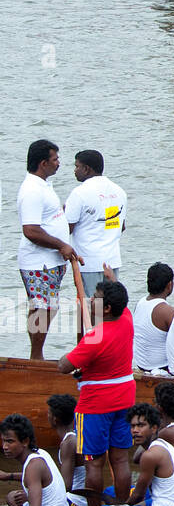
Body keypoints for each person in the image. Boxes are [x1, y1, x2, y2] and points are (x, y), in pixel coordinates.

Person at [56, 279, 134, 506]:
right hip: (125, 399)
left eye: (95, 298)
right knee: (120, 459)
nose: (91, 300)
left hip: (95, 406)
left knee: (94, 464)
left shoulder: (94, 338)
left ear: (107, 308)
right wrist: (111, 279)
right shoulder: (127, 319)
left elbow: (63, 366)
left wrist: (79, 352)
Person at [18, 139, 77, 359]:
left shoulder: (42, 185)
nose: (59, 163)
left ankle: (37, 355)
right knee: (42, 309)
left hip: (50, 261)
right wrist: (61, 244)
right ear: (43, 163)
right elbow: (30, 230)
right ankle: (36, 357)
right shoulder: (32, 190)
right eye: (55, 159)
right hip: (38, 262)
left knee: (47, 308)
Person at [123, 403, 174, 506]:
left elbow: (138, 496)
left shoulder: (150, 455)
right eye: (133, 426)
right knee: (113, 495)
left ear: (154, 428)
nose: (135, 430)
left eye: (141, 425)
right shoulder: (163, 444)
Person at [1, 412, 68, 506]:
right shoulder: (41, 453)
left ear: (25, 441)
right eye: (3, 441)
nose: (4, 447)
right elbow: (35, 477)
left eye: (10, 441)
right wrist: (8, 476)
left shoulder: (33, 465)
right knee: (11, 497)